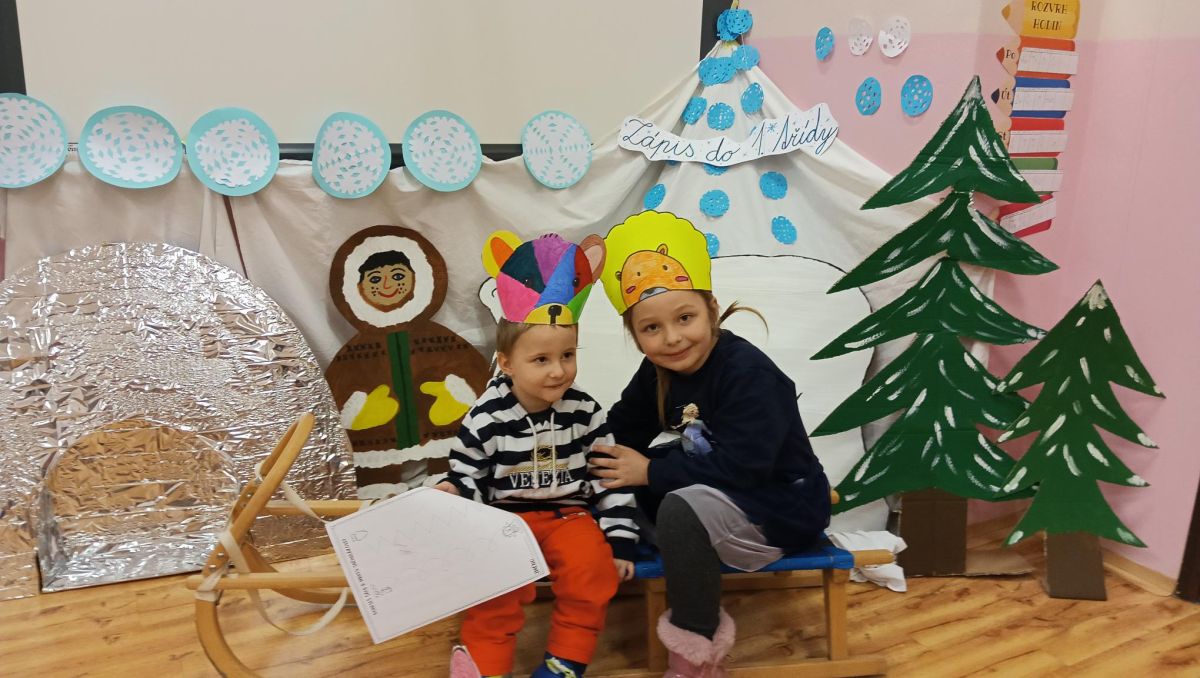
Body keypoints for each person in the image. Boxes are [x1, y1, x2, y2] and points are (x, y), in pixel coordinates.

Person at [590, 211, 832, 677]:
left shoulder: (748, 374)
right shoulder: (659, 369)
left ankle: (696, 653)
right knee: (620, 466)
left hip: (780, 506)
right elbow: (622, 429)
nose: (672, 338)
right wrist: (575, 454)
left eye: (685, 318)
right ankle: (625, 547)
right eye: (651, 328)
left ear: (712, 310)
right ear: (635, 335)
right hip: (721, 490)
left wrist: (650, 472)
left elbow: (745, 468)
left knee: (671, 496)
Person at [438, 232, 639, 678]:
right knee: (494, 585)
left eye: (567, 355)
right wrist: (456, 495)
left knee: (592, 574)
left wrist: (621, 539)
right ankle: (485, 666)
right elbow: (468, 475)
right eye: (541, 360)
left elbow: (609, 476)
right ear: (507, 362)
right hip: (504, 521)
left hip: (569, 516)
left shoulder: (585, 411)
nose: (558, 370)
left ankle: (564, 664)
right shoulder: (486, 416)